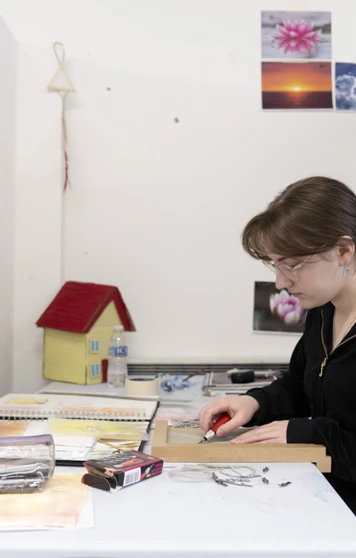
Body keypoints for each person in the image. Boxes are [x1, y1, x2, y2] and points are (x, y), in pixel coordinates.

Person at [199, 176, 356, 513]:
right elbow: (302, 385)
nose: (281, 282)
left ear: (343, 251)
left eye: (292, 265)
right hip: (323, 499)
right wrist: (255, 403)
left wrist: (307, 433)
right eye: (276, 265)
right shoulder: (323, 310)